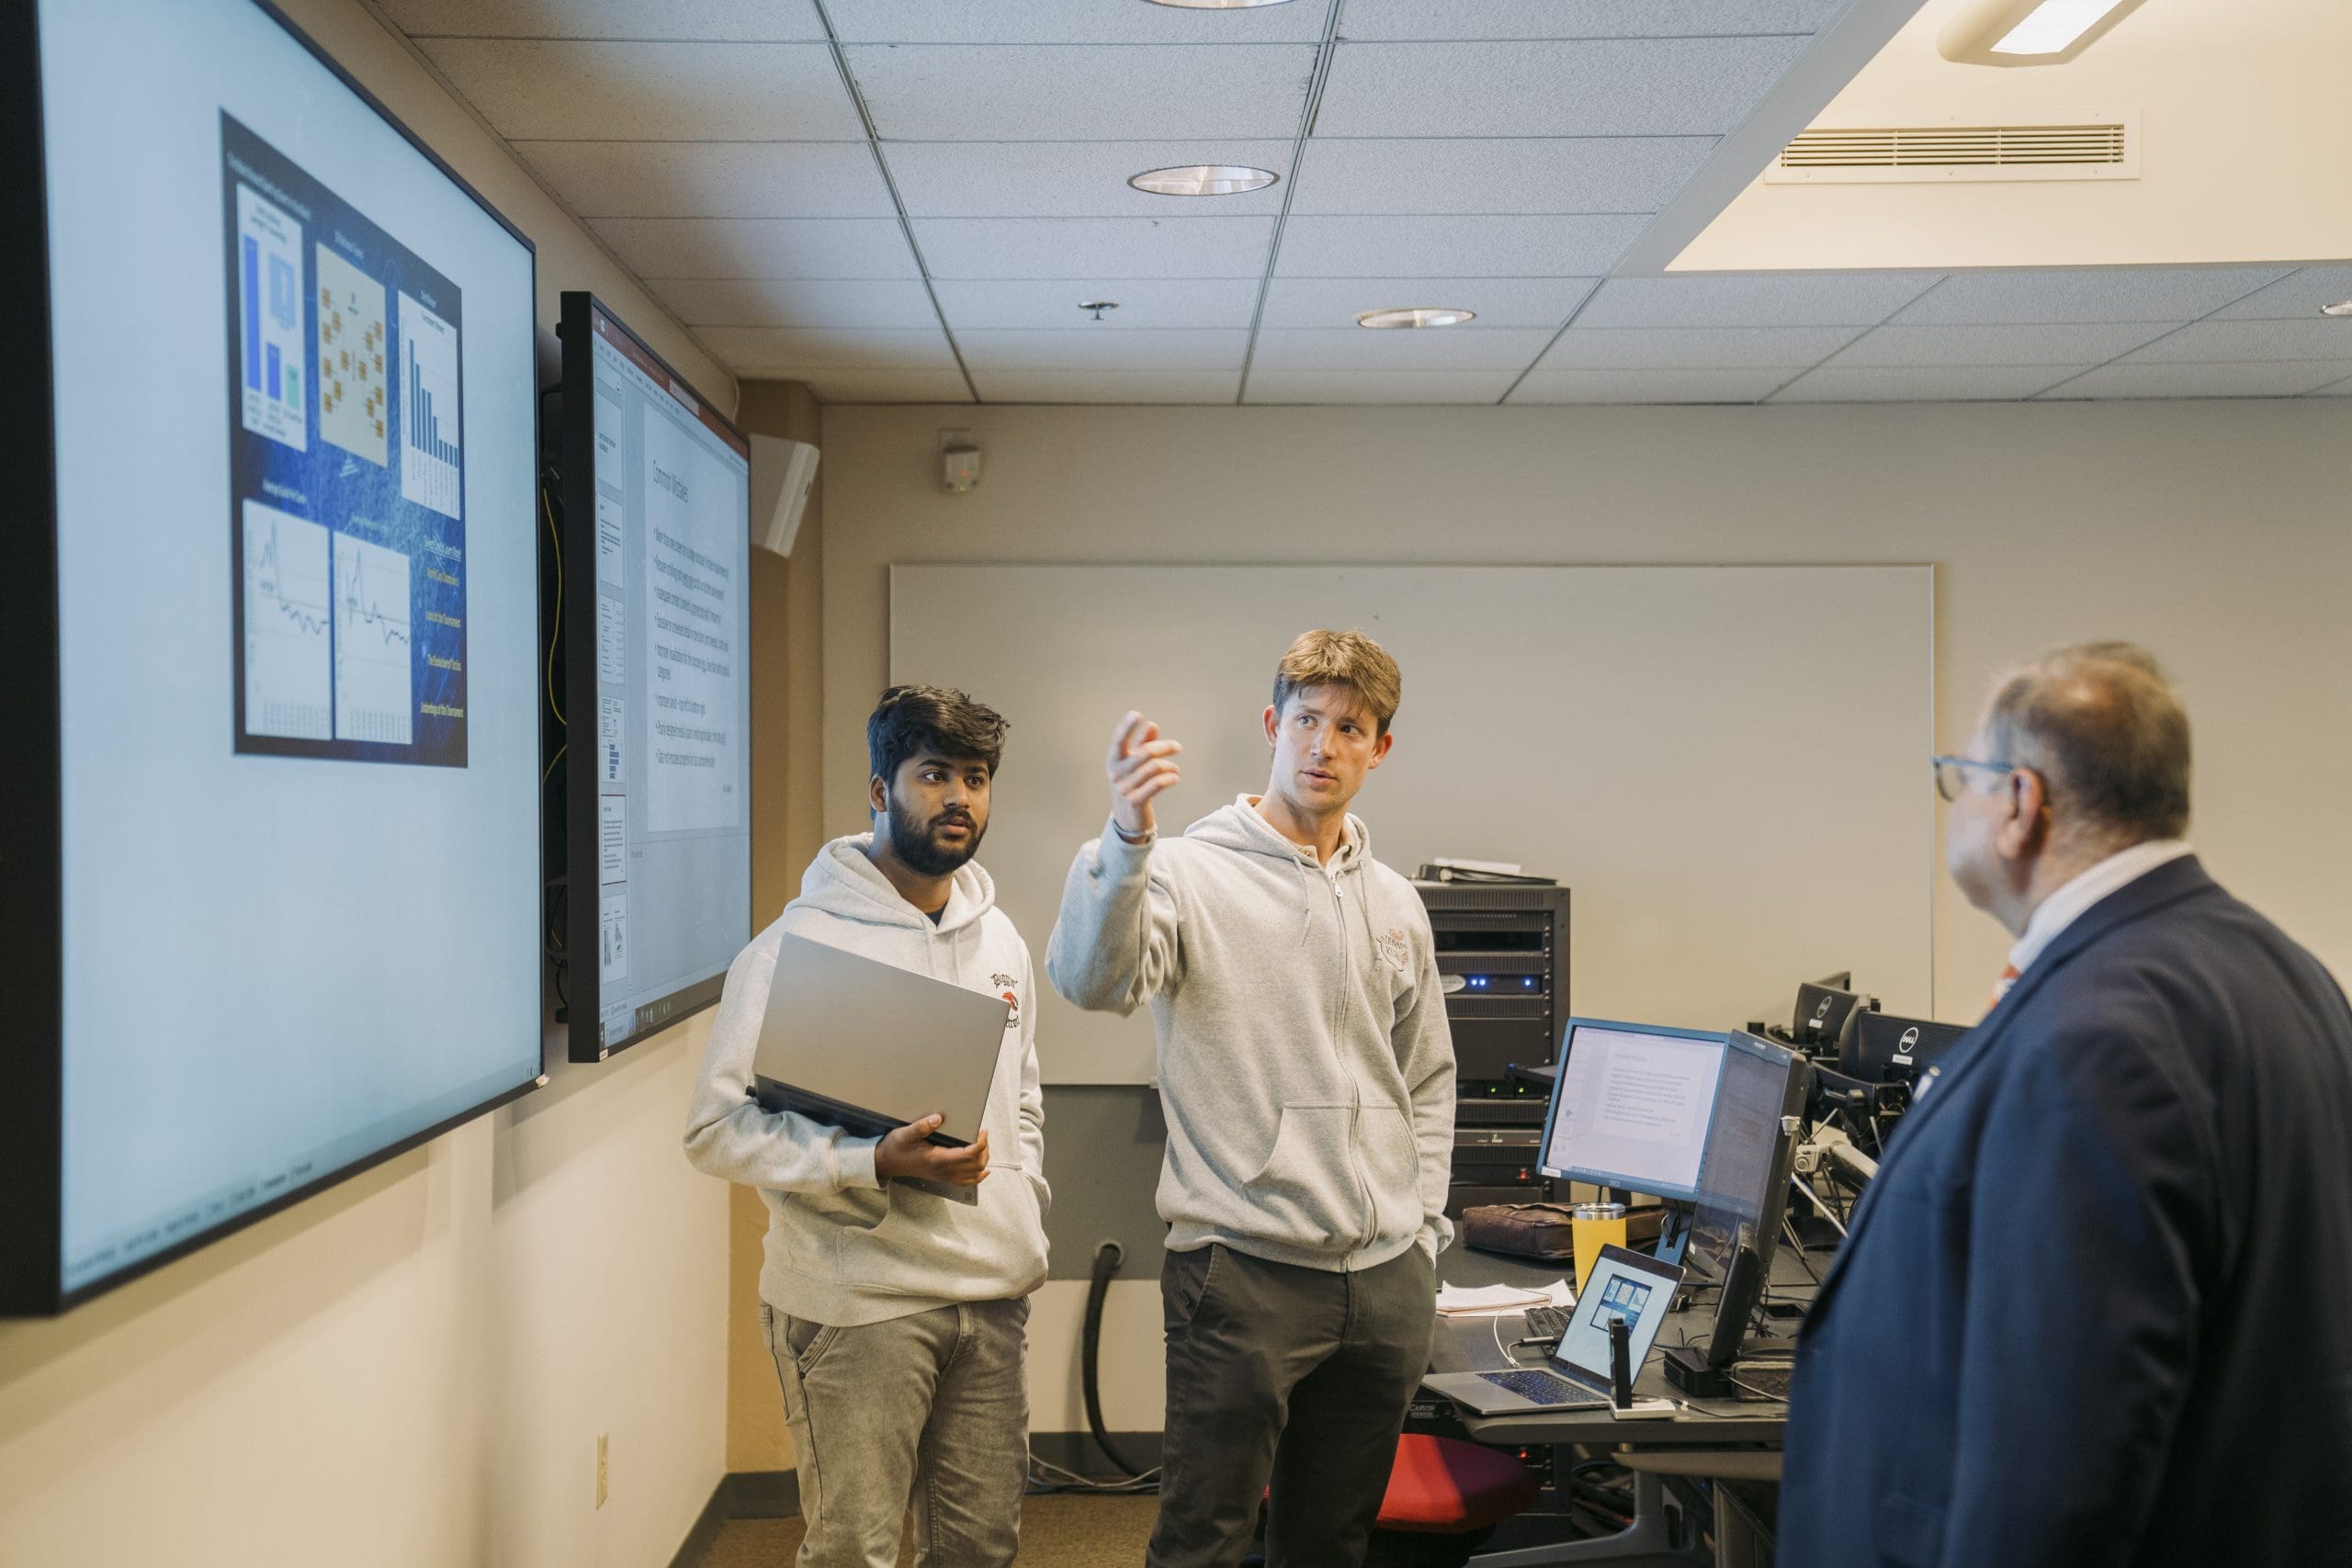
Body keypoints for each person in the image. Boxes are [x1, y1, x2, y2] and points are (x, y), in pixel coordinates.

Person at [1780, 642, 2352, 1568]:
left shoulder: (2092, 1040)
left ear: (2018, 803)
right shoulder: (2288, 973)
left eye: (1956, 779)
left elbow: (2059, 1463)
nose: (1952, 806)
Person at [1046, 628, 1456, 1568]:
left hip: (1385, 1275)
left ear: (1378, 748)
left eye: (1349, 727)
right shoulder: (1186, 871)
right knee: (1205, 1542)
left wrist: (1421, 1223)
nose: (1323, 744)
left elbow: (1426, 1076)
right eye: (1306, 720)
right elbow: (1091, 982)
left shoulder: (1394, 900)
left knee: (1331, 1542)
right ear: (1273, 726)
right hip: (1244, 1271)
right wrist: (1126, 836)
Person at [684, 685, 1049, 1568]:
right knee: (857, 1552)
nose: (959, 797)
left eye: (976, 777)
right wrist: (869, 1159)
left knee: (981, 1551)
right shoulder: (792, 950)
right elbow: (716, 1129)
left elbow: (1024, 1098)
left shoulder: (999, 939)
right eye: (934, 774)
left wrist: (1023, 1201)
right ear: (881, 790)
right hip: (858, 1309)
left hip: (990, 1296)